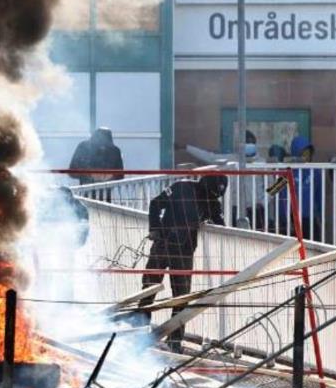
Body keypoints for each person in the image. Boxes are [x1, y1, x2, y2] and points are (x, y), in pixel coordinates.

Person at [135, 175, 227, 353]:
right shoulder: (181, 187)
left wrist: (229, 230)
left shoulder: (213, 202)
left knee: (181, 298)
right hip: (163, 244)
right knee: (148, 290)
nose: (211, 198)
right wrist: (155, 229)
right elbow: (155, 204)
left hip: (184, 251)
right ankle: (139, 333)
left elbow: (221, 224)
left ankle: (174, 342)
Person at [277, 136, 323, 242]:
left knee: (312, 247)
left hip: (310, 217)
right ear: (296, 152)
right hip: (290, 217)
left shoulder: (315, 171)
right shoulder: (286, 170)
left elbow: (319, 196)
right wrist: (283, 217)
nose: (306, 156)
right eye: (303, 153)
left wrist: (320, 215)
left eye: (308, 153)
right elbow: (274, 191)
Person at [68, 127, 123, 201]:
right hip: (88, 192)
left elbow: (120, 174)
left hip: (104, 195)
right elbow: (72, 170)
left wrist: (109, 176)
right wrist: (89, 174)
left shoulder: (115, 151)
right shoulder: (84, 147)